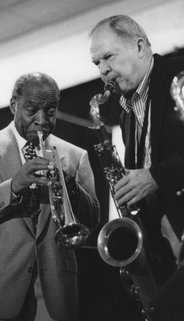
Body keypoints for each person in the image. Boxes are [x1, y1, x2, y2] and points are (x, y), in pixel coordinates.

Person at [0, 72, 100, 321]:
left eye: (51, 110)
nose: (42, 120)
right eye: (32, 109)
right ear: (14, 104)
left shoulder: (75, 156)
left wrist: (72, 189)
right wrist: (13, 186)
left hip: (54, 293)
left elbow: (91, 221)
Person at [89, 14, 184, 319]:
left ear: (140, 45)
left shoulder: (179, 78)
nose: (103, 70)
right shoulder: (127, 113)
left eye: (108, 57)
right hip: (167, 247)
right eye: (97, 63)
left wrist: (154, 177)